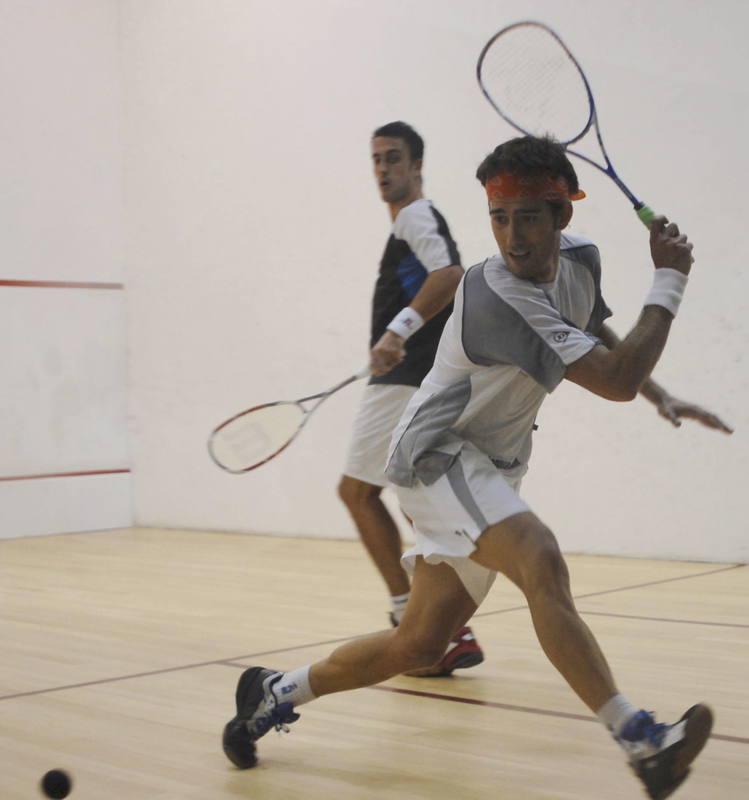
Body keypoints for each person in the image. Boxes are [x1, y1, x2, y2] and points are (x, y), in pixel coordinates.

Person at [223, 136, 733, 798]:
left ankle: (272, 692)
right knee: (539, 558)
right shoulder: (496, 291)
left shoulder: (580, 261)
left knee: (418, 646)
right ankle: (641, 740)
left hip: (487, 467)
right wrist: (669, 278)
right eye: (497, 217)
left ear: (561, 217)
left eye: (526, 217)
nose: (512, 237)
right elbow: (614, 380)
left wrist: (661, 394)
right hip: (435, 455)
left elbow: (595, 330)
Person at [338, 120, 482, 676]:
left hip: (403, 381)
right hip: (418, 379)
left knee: (357, 493)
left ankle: (414, 622)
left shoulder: (417, 216)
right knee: (415, 503)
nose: (383, 168)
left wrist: (397, 332)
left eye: (394, 158)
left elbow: (450, 273)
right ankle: (444, 630)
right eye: (376, 159)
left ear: (416, 166)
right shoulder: (406, 224)